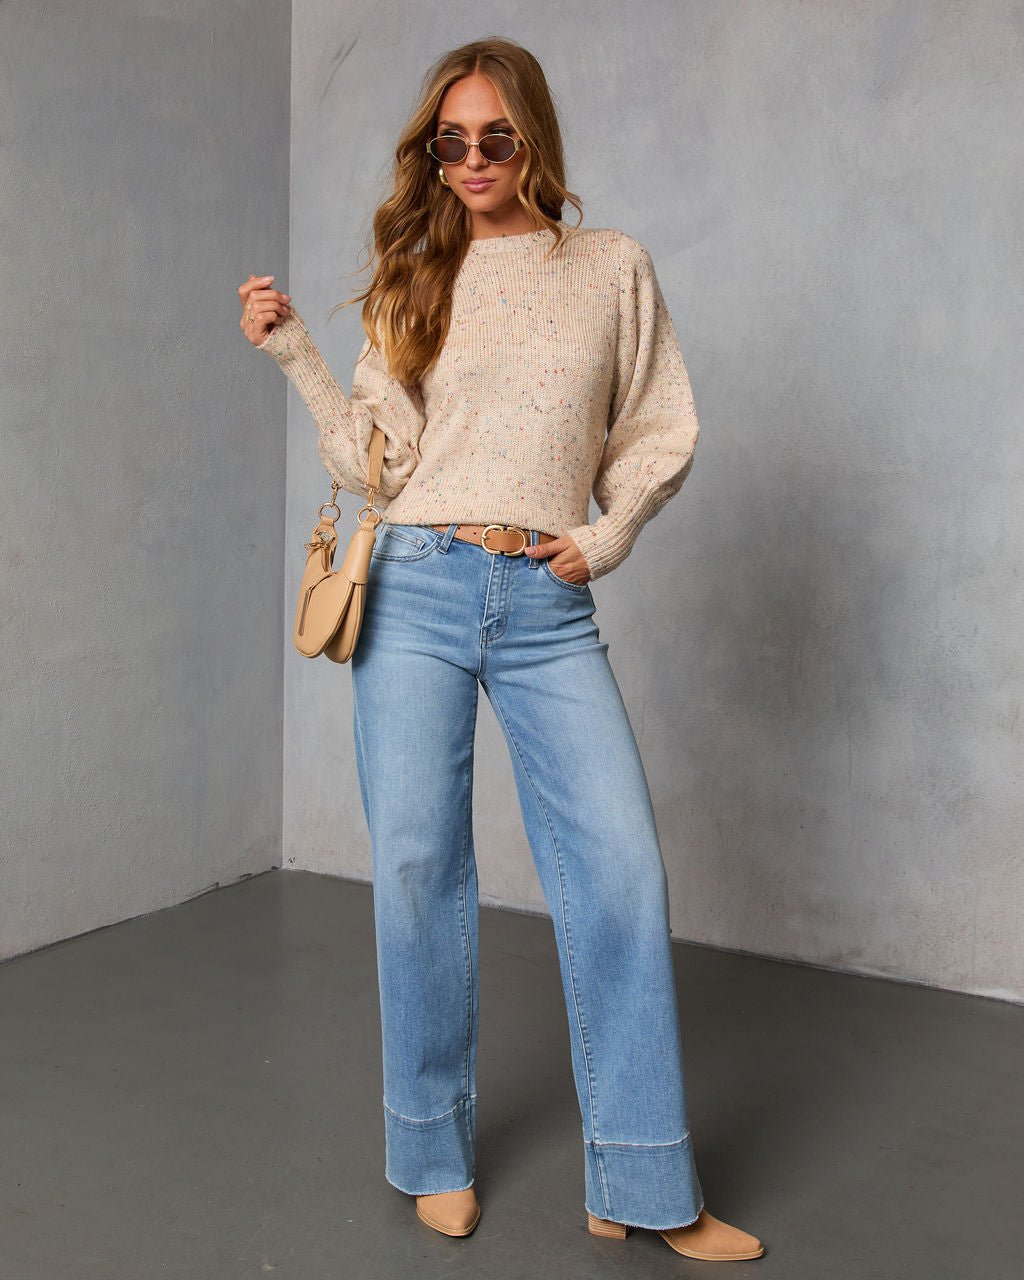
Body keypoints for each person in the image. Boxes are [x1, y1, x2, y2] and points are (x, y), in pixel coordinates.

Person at [238, 36, 765, 1265]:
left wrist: (606, 533)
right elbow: (373, 464)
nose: (472, 160)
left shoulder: (609, 267)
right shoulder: (413, 275)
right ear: (432, 153)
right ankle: (431, 1150)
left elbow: (660, 427)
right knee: (418, 863)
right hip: (415, 582)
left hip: (544, 598)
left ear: (533, 139)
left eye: (495, 137)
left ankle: (642, 1181)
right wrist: (296, 353)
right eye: (450, 141)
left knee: (619, 868)